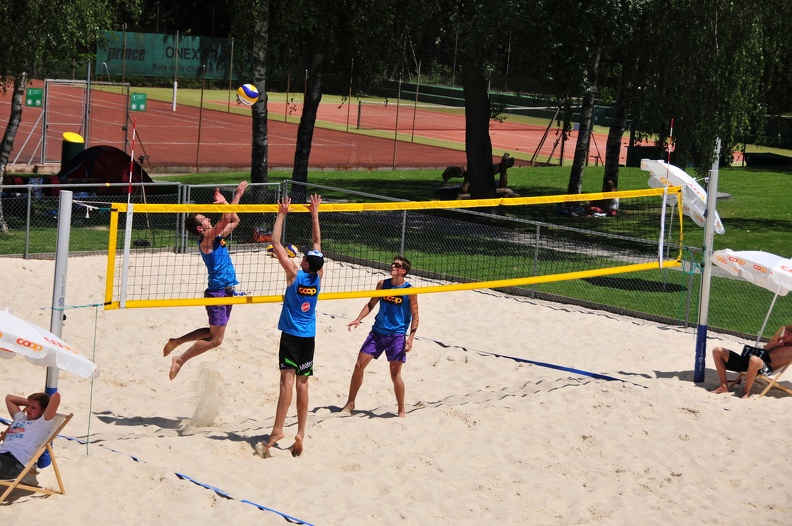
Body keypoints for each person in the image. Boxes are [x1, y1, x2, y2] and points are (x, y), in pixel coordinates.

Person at [257, 194, 323, 458]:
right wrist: (314, 214)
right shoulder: (318, 276)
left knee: (286, 383)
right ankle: (301, 432)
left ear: (305, 262)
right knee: (303, 385)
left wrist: (282, 213)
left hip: (292, 337)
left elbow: (275, 242)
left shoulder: (294, 273)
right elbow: (317, 243)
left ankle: (277, 430)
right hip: (309, 337)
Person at [164, 181, 248, 380]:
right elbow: (227, 216)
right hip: (217, 292)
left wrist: (229, 198)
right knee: (216, 340)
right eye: (204, 218)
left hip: (226, 291)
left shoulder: (216, 238)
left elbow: (234, 220)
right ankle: (180, 359)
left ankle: (176, 341)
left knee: (213, 335)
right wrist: (231, 198)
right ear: (201, 229)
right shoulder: (207, 239)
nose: (208, 217)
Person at [341, 255, 419, 418]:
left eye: (397, 265)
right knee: (358, 366)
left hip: (397, 335)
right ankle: (350, 403)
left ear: (403, 271)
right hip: (377, 332)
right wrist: (358, 319)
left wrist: (410, 338)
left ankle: (401, 410)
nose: (392, 266)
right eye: (392, 264)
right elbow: (371, 304)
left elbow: (416, 316)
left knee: (394, 374)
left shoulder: (410, 290)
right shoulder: (383, 284)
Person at [710, 324, 792, 398]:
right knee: (717, 351)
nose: (785, 335)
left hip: (766, 367)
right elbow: (764, 350)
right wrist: (774, 344)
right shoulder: (779, 342)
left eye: (788, 334)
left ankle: (745, 392)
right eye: (785, 332)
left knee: (754, 359)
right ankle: (724, 386)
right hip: (752, 361)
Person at [0, 391, 61, 479]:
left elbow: (56, 396)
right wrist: (31, 403)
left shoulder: (42, 424)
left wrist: (45, 406)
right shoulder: (20, 418)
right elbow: (9, 398)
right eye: (28, 406)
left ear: (43, 411)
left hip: (14, 462)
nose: (28, 409)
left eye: (33, 408)